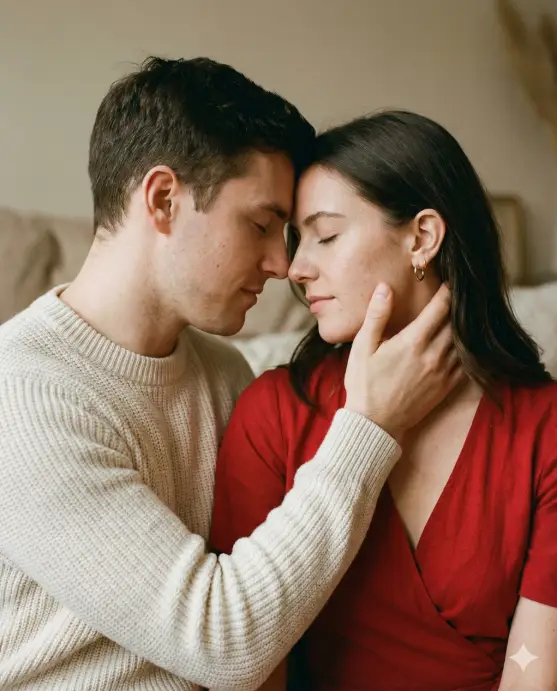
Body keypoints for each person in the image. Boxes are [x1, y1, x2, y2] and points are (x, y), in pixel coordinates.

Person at [0, 61, 459, 690]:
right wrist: (370, 424)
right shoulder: (23, 396)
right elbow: (223, 641)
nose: (283, 264)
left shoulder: (225, 374)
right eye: (263, 225)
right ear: (164, 200)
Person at [210, 110, 557, 691]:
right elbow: (244, 661)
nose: (295, 268)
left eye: (326, 235)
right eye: (299, 240)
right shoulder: (274, 415)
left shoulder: (543, 427)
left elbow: (534, 675)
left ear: (421, 237)